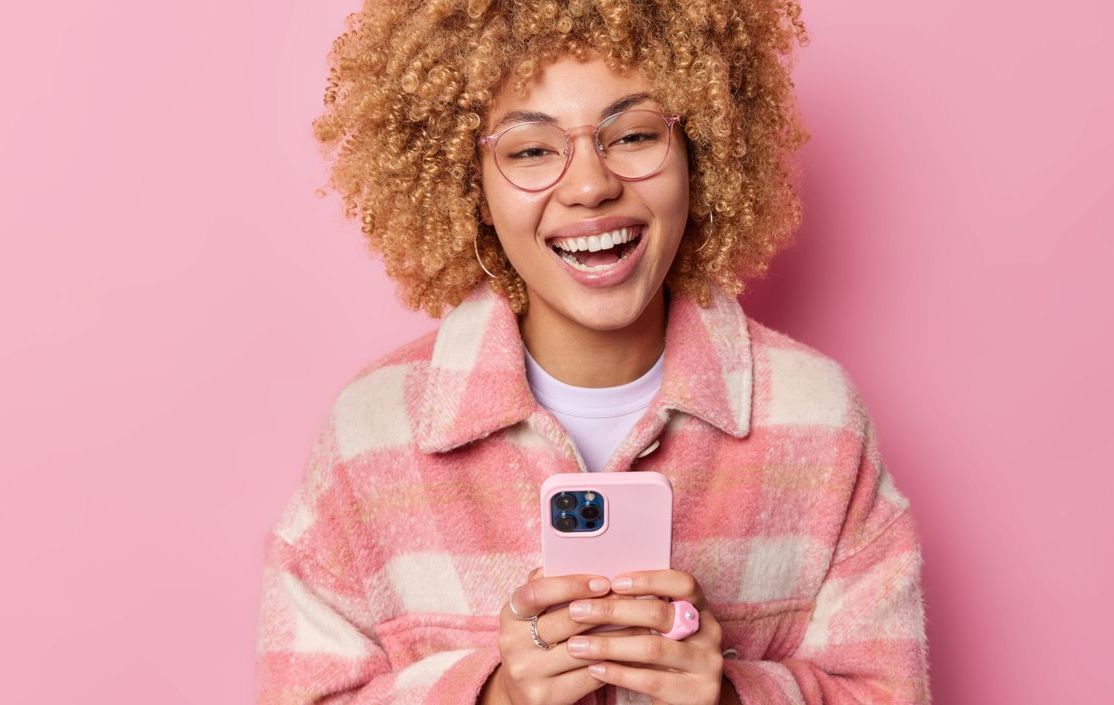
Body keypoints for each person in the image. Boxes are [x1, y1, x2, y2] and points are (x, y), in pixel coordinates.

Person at [254, 1, 931, 704]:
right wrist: (495, 696)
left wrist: (732, 694)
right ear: (472, 186)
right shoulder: (371, 432)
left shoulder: (817, 422)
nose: (589, 186)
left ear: (699, 151)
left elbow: (888, 690)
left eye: (634, 134)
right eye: (531, 150)